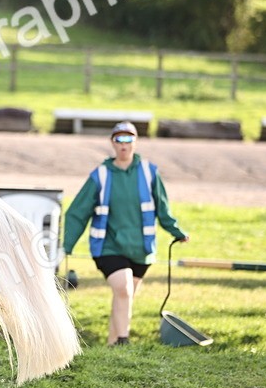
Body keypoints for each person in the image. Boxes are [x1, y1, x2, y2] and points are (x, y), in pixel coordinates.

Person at [62, 121, 189, 346]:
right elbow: (78, 212)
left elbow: (162, 207)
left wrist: (176, 231)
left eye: (128, 138)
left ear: (135, 142)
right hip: (107, 247)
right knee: (124, 288)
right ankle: (123, 341)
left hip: (141, 249)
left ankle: (112, 347)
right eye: (119, 139)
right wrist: (67, 246)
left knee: (124, 297)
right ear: (112, 143)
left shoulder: (149, 172)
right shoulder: (100, 175)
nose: (124, 144)